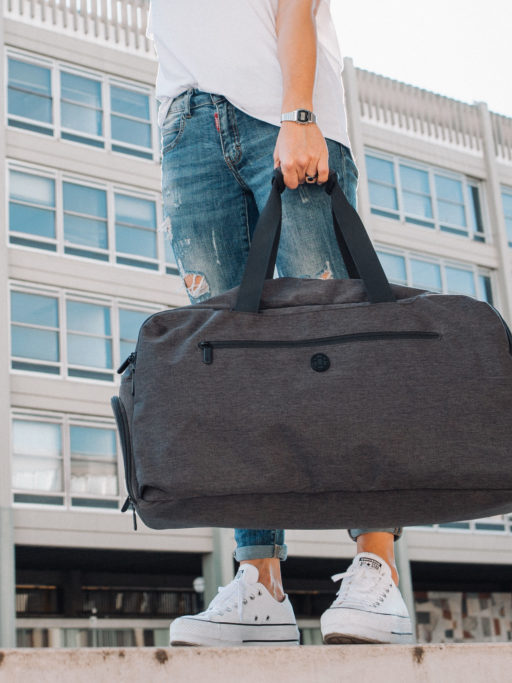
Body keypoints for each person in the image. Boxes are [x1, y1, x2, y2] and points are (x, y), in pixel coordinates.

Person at [146, 0, 415, 646]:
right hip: (188, 125)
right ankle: (259, 581)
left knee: (335, 346)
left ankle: (378, 562)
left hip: (283, 111)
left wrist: (299, 113)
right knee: (227, 367)